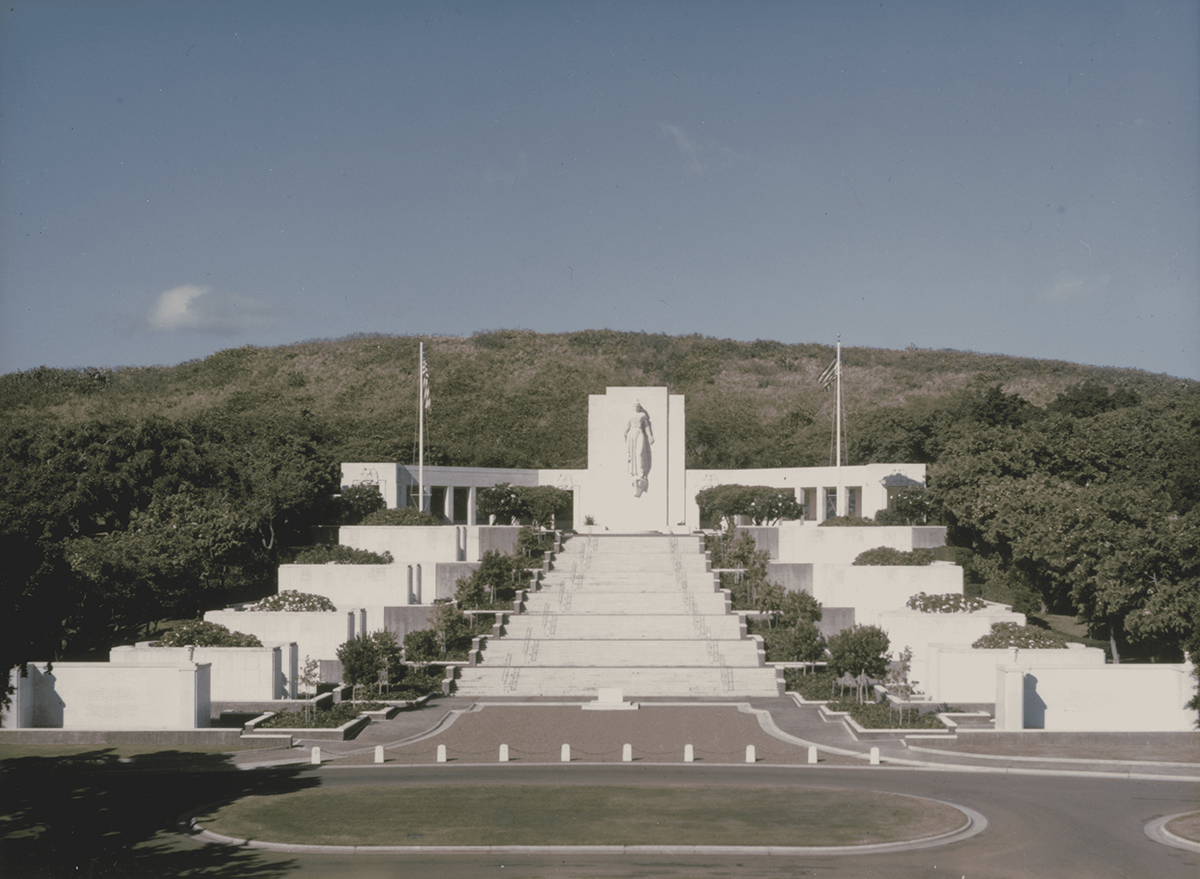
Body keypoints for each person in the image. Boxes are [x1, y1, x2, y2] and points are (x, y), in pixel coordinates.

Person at [624, 402, 654, 497]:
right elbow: (627, 425)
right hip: (632, 433)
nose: (637, 407)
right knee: (633, 454)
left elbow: (646, 426)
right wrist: (625, 434)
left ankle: (641, 472)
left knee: (640, 452)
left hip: (640, 432)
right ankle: (635, 473)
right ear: (633, 407)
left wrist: (650, 436)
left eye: (638, 406)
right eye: (635, 406)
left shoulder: (643, 415)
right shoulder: (630, 415)